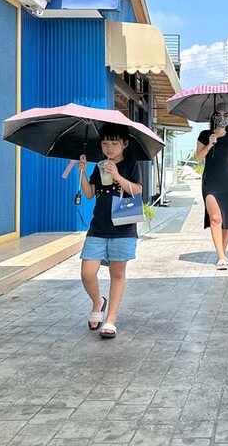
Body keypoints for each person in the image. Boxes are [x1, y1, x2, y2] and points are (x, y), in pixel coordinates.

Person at [78, 123, 142, 339]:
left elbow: (136, 191)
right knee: (87, 273)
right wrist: (82, 173)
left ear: (125, 144)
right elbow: (89, 194)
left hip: (123, 227)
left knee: (117, 273)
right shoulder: (99, 166)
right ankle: (98, 301)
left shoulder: (131, 164)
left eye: (114, 143)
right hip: (98, 226)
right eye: (105, 143)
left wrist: (117, 175)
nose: (109, 148)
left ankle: (110, 320)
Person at [196, 102, 228, 270]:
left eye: (226, 115)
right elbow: (199, 157)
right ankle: (221, 257)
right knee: (216, 218)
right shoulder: (204, 135)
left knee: (227, 221)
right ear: (213, 117)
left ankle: (221, 253)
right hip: (210, 182)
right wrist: (209, 144)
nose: (222, 118)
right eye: (218, 114)